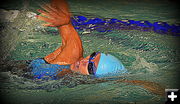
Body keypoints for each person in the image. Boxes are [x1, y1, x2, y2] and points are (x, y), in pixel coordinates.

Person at [29, 0, 127, 80]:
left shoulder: (75, 80)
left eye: (90, 67)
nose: (84, 61)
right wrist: (64, 18)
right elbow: (63, 17)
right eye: (92, 56)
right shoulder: (71, 55)